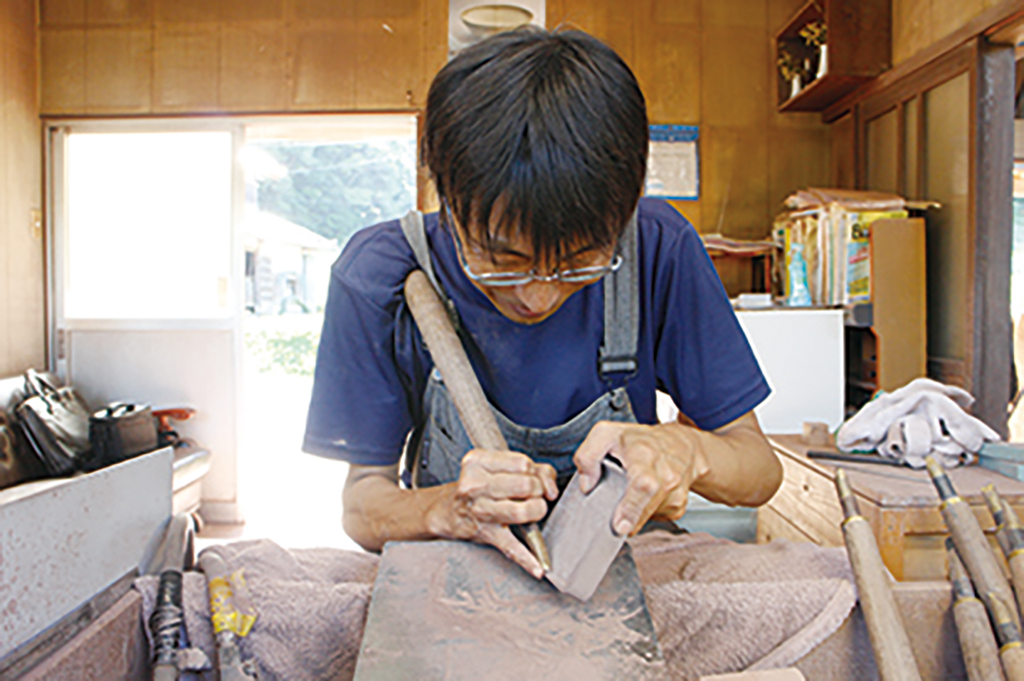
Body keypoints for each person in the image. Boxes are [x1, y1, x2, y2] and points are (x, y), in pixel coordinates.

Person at [303, 27, 782, 579]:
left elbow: (758, 469)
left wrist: (687, 452)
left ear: (624, 213)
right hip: (450, 580)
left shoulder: (658, 246)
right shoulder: (379, 271)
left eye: (579, 262)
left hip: (623, 574)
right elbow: (362, 505)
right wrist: (446, 508)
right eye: (500, 260)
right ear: (447, 199)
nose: (537, 295)